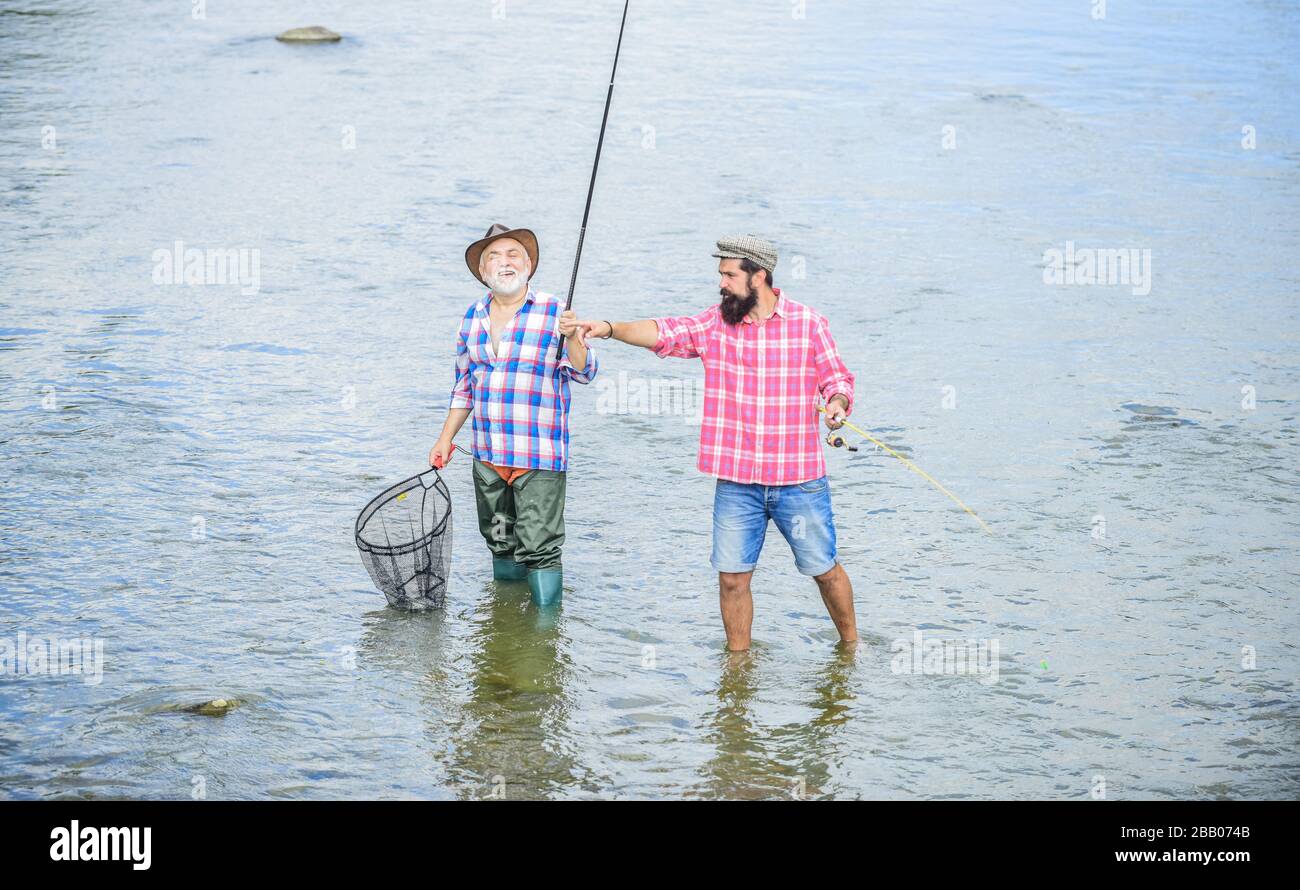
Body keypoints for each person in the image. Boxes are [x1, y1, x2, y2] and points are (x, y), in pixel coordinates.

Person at [571, 235, 858, 650]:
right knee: (731, 578)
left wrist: (837, 402)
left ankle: (851, 646)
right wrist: (610, 329)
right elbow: (663, 333)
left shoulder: (808, 323)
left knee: (824, 570)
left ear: (758, 276)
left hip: (799, 480)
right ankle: (737, 667)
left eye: (729, 274)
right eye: (720, 274)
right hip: (737, 481)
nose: (721, 283)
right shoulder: (713, 324)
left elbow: (837, 378)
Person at [429, 223, 597, 605]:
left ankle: (542, 632)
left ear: (528, 265)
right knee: (500, 540)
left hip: (539, 457)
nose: (504, 263)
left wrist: (573, 338)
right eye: (494, 257)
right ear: (483, 272)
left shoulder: (555, 311)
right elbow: (463, 387)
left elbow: (585, 372)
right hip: (488, 457)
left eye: (513, 255)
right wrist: (445, 439)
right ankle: (505, 622)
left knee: (540, 546)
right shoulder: (471, 318)